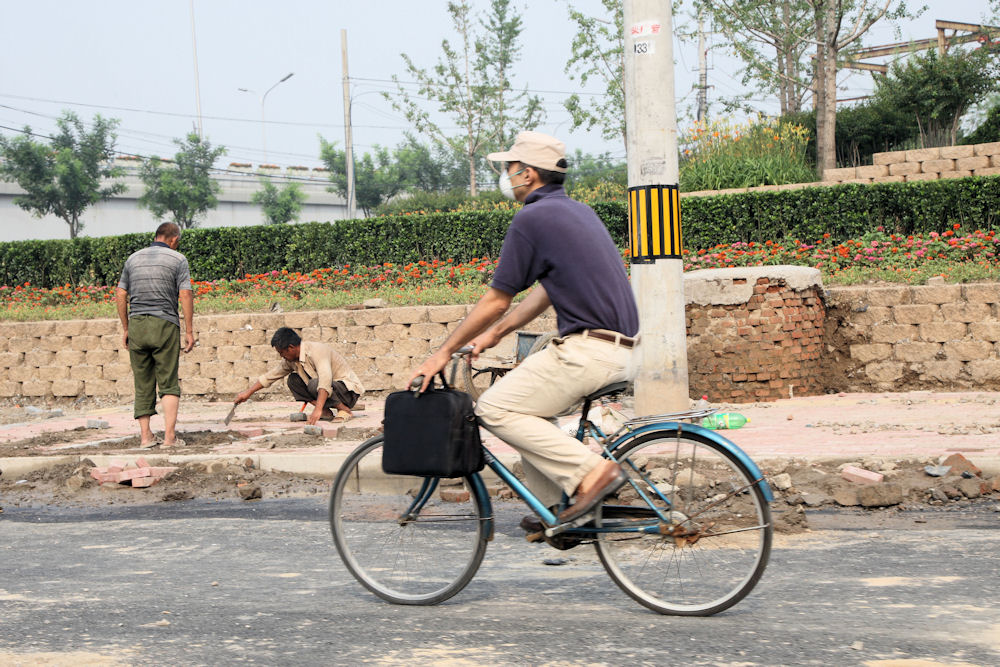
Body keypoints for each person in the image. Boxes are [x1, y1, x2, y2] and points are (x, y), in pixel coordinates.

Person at [408, 131, 640, 527]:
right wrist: (496, 334)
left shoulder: (531, 218)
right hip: (622, 350)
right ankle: (561, 513)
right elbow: (547, 291)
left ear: (529, 174)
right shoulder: (579, 212)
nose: (506, 176)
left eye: (509, 168)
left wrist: (442, 352)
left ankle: (593, 473)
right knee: (531, 415)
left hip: (588, 352)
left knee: (495, 408)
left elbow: (497, 299)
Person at [116, 222, 195, 448]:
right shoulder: (178, 259)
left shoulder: (133, 259)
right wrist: (189, 330)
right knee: (168, 382)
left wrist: (126, 327)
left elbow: (121, 293)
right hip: (165, 324)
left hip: (138, 325)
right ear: (174, 239)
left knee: (142, 383)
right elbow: (186, 294)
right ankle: (169, 438)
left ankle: (145, 437)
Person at [235, 327, 364, 425]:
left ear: (291, 348)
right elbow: (270, 376)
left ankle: (344, 409)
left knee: (315, 383)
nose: (281, 356)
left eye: (282, 352)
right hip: (328, 392)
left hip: (347, 392)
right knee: (293, 380)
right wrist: (248, 392)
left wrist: (317, 410)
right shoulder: (291, 361)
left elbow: (325, 381)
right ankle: (326, 410)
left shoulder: (317, 350)